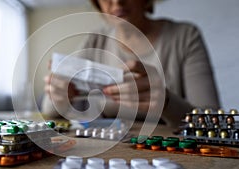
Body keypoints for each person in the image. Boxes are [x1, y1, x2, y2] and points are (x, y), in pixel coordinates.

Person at [41, 0, 220, 127]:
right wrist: (59, 94)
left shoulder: (185, 36)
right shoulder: (95, 40)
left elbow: (211, 121)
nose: (117, 1)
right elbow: (50, 111)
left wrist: (165, 102)